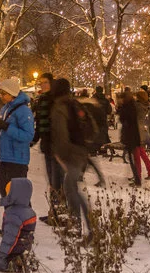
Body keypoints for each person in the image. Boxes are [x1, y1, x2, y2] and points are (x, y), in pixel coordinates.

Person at [50, 78, 93, 238]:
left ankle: (84, 225)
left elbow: (61, 136)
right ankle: (81, 224)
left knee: (71, 189)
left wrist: (61, 156)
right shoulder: (75, 104)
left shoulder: (60, 108)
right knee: (71, 187)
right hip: (81, 152)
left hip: (71, 155)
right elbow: (92, 127)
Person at [0, 78, 35, 198]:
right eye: (0, 93)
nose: (1, 96)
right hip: (5, 158)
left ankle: (22, 217)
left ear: (12, 93)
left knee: (17, 198)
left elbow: (28, 135)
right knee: (6, 195)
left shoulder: (23, 111)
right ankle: (10, 217)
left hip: (16, 160)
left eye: (3, 93)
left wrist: (7, 127)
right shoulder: (5, 108)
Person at [30, 72, 61, 223]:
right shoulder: (42, 99)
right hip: (47, 146)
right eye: (41, 83)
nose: (42, 85)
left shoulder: (56, 100)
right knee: (52, 181)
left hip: (57, 147)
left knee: (57, 181)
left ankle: (59, 213)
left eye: (45, 82)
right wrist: (34, 140)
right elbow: (39, 125)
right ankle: (54, 212)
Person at [0, 178, 37, 272]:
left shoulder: (13, 214)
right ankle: (23, 260)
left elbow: (9, 239)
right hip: (25, 249)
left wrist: (1, 258)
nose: (7, 195)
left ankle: (14, 263)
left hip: (14, 250)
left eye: (9, 193)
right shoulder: (30, 212)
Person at [118, 91, 143, 186]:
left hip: (130, 136)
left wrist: (120, 108)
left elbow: (123, 119)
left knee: (133, 159)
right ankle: (137, 178)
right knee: (133, 158)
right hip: (133, 136)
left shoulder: (127, 107)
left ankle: (137, 180)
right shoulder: (132, 105)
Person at [134, 91, 150, 179]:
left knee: (136, 156)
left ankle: (138, 175)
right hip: (142, 131)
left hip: (136, 132)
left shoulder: (137, 106)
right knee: (143, 153)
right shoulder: (145, 105)